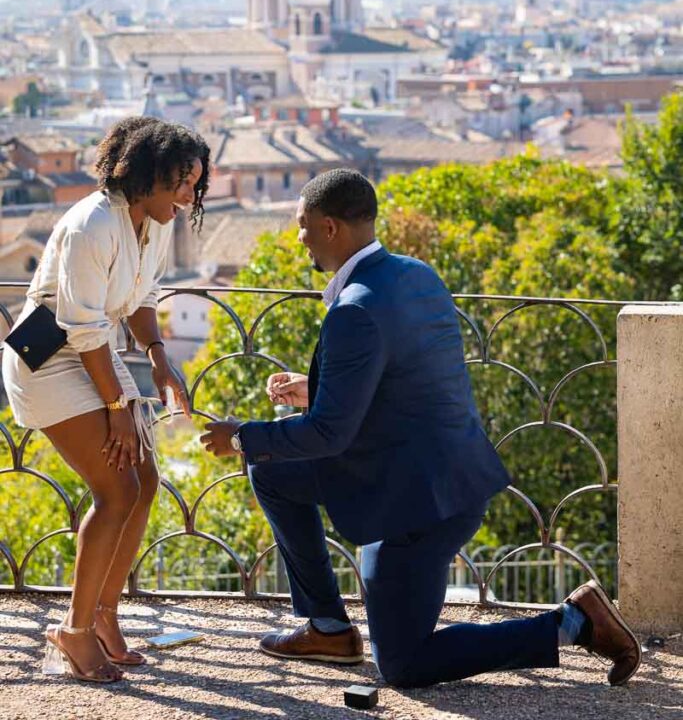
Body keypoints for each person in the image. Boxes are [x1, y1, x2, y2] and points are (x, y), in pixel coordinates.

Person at [201, 168, 641, 690]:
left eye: (302, 226)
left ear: (329, 228)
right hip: (429, 468)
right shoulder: (414, 274)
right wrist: (316, 391)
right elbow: (406, 380)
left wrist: (240, 436)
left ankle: (575, 623)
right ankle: (327, 627)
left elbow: (328, 437)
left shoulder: (355, 309)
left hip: (424, 504)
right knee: (273, 471)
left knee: (405, 665)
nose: (299, 239)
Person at [3, 117, 210, 684]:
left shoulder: (158, 219)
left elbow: (141, 299)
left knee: (145, 482)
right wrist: (119, 409)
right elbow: (83, 330)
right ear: (145, 174)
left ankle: (104, 617)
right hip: (48, 358)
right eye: (180, 183)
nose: (189, 196)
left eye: (194, 183)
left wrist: (161, 358)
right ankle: (72, 629)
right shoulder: (91, 224)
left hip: (91, 348)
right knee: (116, 488)